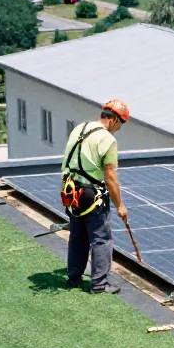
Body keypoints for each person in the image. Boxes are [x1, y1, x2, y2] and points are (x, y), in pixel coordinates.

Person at [61, 100, 130, 294]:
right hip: (92, 195)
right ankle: (99, 283)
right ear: (115, 119)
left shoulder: (80, 128)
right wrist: (120, 206)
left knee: (77, 236)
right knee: (101, 238)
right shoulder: (108, 140)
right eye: (120, 124)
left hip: (71, 190)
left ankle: (73, 277)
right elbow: (110, 176)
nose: (119, 129)